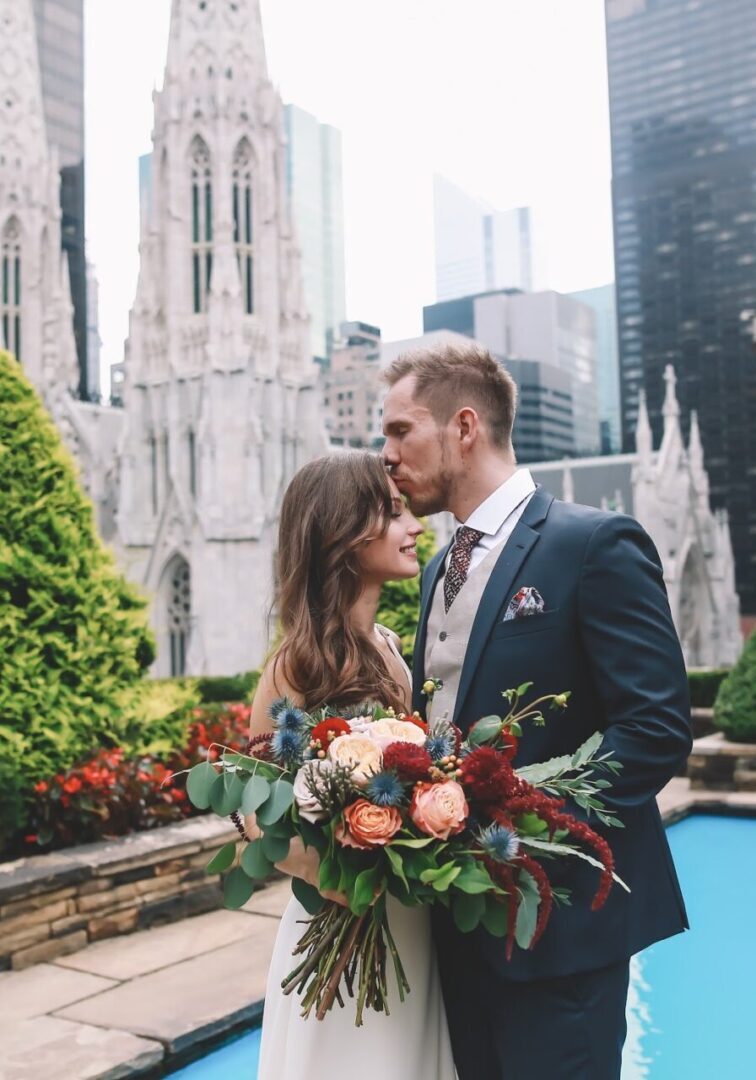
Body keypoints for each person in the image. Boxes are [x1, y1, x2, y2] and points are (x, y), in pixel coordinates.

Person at [381, 343, 692, 1080]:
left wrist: (511, 824)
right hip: (456, 931)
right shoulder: (436, 573)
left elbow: (653, 731)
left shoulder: (593, 544)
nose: (386, 454)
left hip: (561, 934)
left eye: (400, 431)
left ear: (463, 427)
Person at [250, 452, 456, 1080]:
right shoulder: (297, 662)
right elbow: (254, 815)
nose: (415, 525)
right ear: (344, 531)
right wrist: (341, 868)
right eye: (393, 514)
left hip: (416, 929)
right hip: (346, 924)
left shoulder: (395, 647)